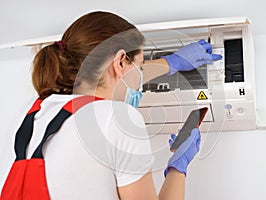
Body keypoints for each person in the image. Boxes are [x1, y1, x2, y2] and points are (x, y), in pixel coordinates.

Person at [0, 11, 221, 200]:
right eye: (140, 66)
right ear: (120, 61)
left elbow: (117, 77)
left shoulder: (30, 112)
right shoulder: (116, 118)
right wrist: (177, 167)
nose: (140, 83)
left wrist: (171, 63)